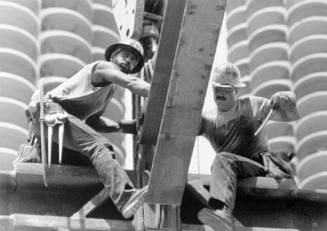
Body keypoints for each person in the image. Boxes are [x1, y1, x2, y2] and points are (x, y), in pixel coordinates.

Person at [24, 38, 151, 219]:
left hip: (56, 130)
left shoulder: (108, 90)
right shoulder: (103, 68)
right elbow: (132, 84)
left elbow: (91, 124)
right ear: (113, 56)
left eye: (133, 60)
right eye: (125, 55)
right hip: (50, 115)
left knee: (94, 166)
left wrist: (122, 126)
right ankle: (125, 197)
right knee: (100, 147)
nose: (128, 61)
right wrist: (163, 93)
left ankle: (108, 208)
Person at [196, 63, 299, 231]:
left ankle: (222, 213)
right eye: (216, 88)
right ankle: (219, 215)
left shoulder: (253, 106)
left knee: (223, 159)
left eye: (226, 88)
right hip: (228, 173)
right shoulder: (208, 120)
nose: (220, 93)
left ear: (236, 90)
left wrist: (290, 100)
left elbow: (296, 113)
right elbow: (179, 126)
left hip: (258, 166)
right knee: (223, 161)